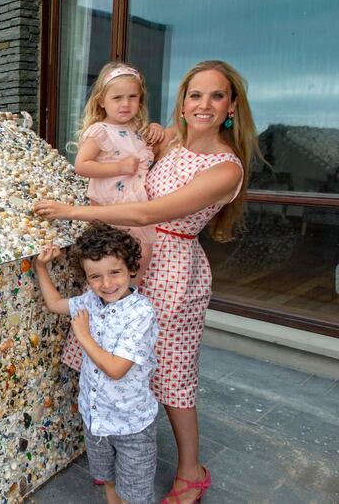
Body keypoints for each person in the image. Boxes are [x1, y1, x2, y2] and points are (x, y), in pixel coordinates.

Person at [35, 59, 260, 504]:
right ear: (183, 101)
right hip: (136, 255)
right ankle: (118, 440)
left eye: (217, 96)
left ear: (231, 106)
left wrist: (72, 211)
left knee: (171, 374)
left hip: (173, 267)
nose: (204, 104)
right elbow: (132, 159)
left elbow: (148, 212)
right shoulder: (170, 138)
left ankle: (191, 472)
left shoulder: (226, 168)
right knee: (114, 349)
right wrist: (154, 132)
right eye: (195, 94)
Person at [34, 222, 159, 504]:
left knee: (136, 496)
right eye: (95, 277)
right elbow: (55, 304)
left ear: (130, 268)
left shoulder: (140, 313)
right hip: (97, 420)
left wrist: (83, 335)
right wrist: (40, 267)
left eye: (114, 272)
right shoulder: (92, 300)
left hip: (132, 425)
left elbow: (116, 369)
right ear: (87, 279)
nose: (106, 284)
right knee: (109, 482)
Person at [72, 62, 164, 283]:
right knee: (110, 260)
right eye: (117, 98)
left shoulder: (138, 130)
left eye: (132, 97)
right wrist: (118, 168)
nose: (126, 103)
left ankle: (130, 298)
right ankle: (109, 305)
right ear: (102, 101)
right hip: (109, 209)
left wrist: (156, 128)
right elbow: (81, 165)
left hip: (134, 207)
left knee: (141, 256)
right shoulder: (101, 132)